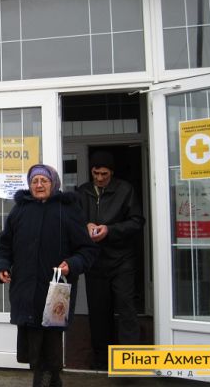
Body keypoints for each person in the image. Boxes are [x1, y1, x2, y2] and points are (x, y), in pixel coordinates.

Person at [0, 164, 99, 387]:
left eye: (44, 181)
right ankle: (49, 380)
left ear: (54, 183)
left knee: (50, 346)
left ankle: (47, 380)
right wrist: (1, 265)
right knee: (33, 345)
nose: (39, 185)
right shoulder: (19, 211)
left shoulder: (68, 210)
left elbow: (87, 250)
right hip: (26, 290)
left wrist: (72, 264)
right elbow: (4, 245)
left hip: (55, 291)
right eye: (34, 181)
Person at [75, 150, 145, 371]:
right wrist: (85, 225)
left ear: (112, 172)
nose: (99, 178)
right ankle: (101, 359)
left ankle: (129, 361)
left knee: (126, 307)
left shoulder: (125, 190)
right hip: (94, 261)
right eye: (96, 173)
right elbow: (72, 220)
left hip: (122, 259)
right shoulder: (82, 192)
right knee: (98, 311)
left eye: (104, 174)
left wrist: (110, 230)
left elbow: (137, 221)